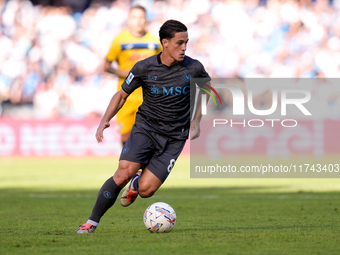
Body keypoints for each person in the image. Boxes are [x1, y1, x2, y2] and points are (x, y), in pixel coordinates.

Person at [76, 19, 210, 233]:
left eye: (187, 42)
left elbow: (206, 89)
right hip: (146, 129)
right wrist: (105, 119)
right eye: (179, 43)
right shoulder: (144, 67)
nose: (184, 47)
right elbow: (121, 95)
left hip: (175, 137)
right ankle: (92, 221)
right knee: (122, 174)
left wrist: (196, 120)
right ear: (165, 43)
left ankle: (138, 183)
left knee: (146, 191)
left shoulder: (194, 67)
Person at [104, 5, 162, 145]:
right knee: (126, 139)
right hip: (126, 98)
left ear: (145, 20)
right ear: (128, 20)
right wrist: (122, 73)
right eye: (134, 17)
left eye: (141, 17)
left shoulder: (154, 42)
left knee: (149, 138)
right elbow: (106, 66)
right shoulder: (120, 41)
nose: (138, 21)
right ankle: (128, 166)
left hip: (149, 98)